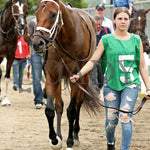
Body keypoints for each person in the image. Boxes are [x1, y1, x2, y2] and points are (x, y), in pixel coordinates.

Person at [70, 7, 150, 150]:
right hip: (111, 85)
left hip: (130, 85)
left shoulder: (136, 40)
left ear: (129, 20)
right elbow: (93, 61)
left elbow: (143, 66)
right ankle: (110, 142)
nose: (123, 21)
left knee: (125, 118)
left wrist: (148, 87)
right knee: (111, 122)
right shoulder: (106, 40)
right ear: (114, 20)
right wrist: (79, 74)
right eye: (120, 18)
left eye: (126, 19)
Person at [24, 17, 46, 109]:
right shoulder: (33, 22)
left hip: (48, 52)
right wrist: (26, 32)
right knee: (36, 78)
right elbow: (26, 39)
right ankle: (38, 100)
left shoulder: (49, 20)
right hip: (35, 53)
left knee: (50, 77)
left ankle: (44, 94)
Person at [90, 14, 111, 94]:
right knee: (94, 75)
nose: (98, 26)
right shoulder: (91, 31)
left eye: (99, 24)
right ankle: (95, 92)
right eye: (96, 24)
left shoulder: (106, 30)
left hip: (104, 56)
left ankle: (98, 88)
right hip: (94, 56)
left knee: (101, 76)